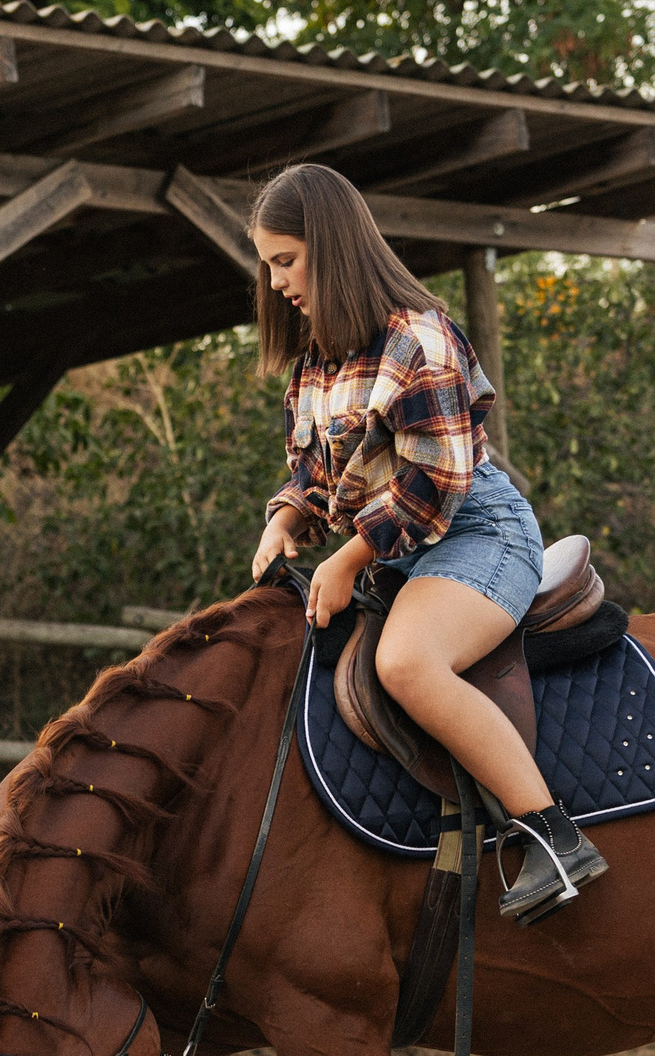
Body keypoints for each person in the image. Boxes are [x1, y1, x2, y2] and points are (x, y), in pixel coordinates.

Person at [245, 163, 607, 924]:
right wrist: (285, 519)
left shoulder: (420, 340)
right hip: (399, 549)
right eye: (268, 264)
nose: (276, 282)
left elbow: (432, 484)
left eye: (286, 260)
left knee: (406, 661)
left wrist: (347, 557)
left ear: (331, 246)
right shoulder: (320, 361)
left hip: (477, 534)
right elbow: (317, 471)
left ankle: (551, 834)